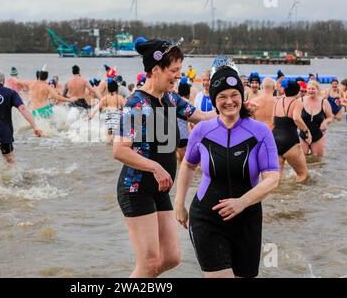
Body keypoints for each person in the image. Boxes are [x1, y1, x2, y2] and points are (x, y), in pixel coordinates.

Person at [113, 38, 216, 278]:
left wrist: (234, 110)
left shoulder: (169, 99)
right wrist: (156, 168)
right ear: (156, 70)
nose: (178, 77)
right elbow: (120, 150)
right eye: (174, 71)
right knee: (149, 262)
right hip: (136, 188)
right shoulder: (136, 104)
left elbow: (200, 115)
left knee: (171, 257)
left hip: (159, 189)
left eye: (179, 71)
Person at [175, 57, 280, 278]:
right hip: (207, 218)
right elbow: (188, 164)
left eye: (234, 95)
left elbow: (272, 178)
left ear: (242, 96)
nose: (229, 101)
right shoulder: (202, 130)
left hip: (247, 218)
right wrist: (179, 203)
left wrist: (241, 203)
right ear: (214, 101)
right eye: (222, 96)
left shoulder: (260, 132)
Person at [272, 81, 310, 182]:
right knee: (303, 174)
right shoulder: (297, 102)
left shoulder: (277, 101)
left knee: (277, 178)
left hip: (274, 140)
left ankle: (278, 197)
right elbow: (296, 118)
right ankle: (298, 197)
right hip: (290, 141)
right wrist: (307, 131)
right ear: (297, 91)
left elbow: (273, 121)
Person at [299, 81, 333, 157]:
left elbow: (330, 117)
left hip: (318, 135)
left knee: (317, 159)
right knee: (302, 158)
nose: (311, 90)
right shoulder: (300, 101)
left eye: (313, 89)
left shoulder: (324, 102)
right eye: (309, 88)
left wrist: (325, 121)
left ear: (317, 90)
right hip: (303, 135)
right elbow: (295, 117)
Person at [89, 78, 126, 145]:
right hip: (117, 119)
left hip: (109, 119)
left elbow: (97, 107)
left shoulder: (105, 98)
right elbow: (127, 109)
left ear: (108, 89)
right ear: (117, 88)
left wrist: (92, 114)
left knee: (109, 136)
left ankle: (109, 145)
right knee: (115, 138)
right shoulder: (120, 98)